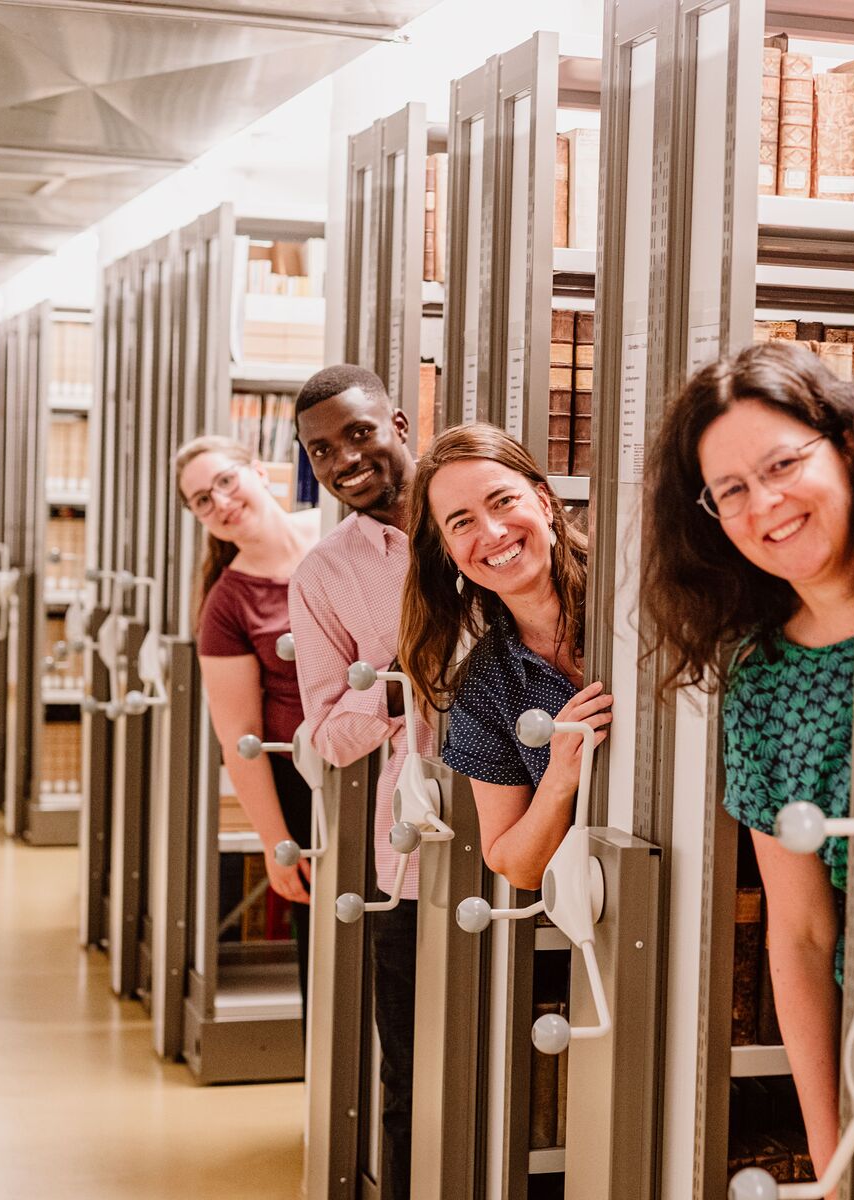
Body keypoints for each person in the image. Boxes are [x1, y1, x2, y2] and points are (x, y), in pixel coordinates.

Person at [639, 341, 854, 1186]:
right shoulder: (760, 680)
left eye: (782, 463)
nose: (766, 502)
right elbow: (803, 935)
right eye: (732, 490)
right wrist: (832, 1150)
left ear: (844, 445)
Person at [287, 364, 432, 1200]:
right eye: (322, 450)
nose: (345, 459)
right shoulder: (325, 574)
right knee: (412, 1076)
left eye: (359, 433)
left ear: (399, 423)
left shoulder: (477, 518)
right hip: (412, 850)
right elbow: (324, 734)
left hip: (537, 826)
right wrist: (398, 684)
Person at [397, 423, 611, 893]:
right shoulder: (485, 686)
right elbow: (514, 865)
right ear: (450, 552)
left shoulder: (630, 594)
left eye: (503, 502)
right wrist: (559, 778)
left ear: (543, 500)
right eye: (462, 522)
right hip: (617, 906)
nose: (492, 532)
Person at [176, 434, 322, 1008]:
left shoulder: (339, 534)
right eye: (202, 502)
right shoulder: (227, 604)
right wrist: (275, 841)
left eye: (225, 482)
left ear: (260, 472)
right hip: (305, 784)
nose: (220, 502)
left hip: (394, 764)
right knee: (328, 956)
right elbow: (239, 738)